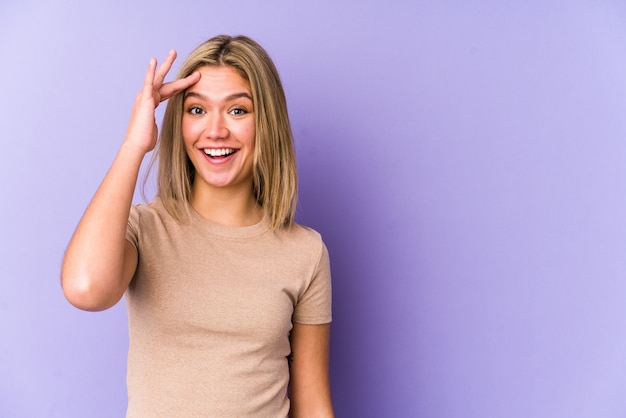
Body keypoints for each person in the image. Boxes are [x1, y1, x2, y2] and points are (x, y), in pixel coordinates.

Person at [61, 35, 334, 417]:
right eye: (196, 110)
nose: (216, 131)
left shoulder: (305, 252)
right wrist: (134, 145)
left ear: (266, 122)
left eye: (238, 111)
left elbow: (313, 403)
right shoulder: (144, 229)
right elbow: (86, 289)